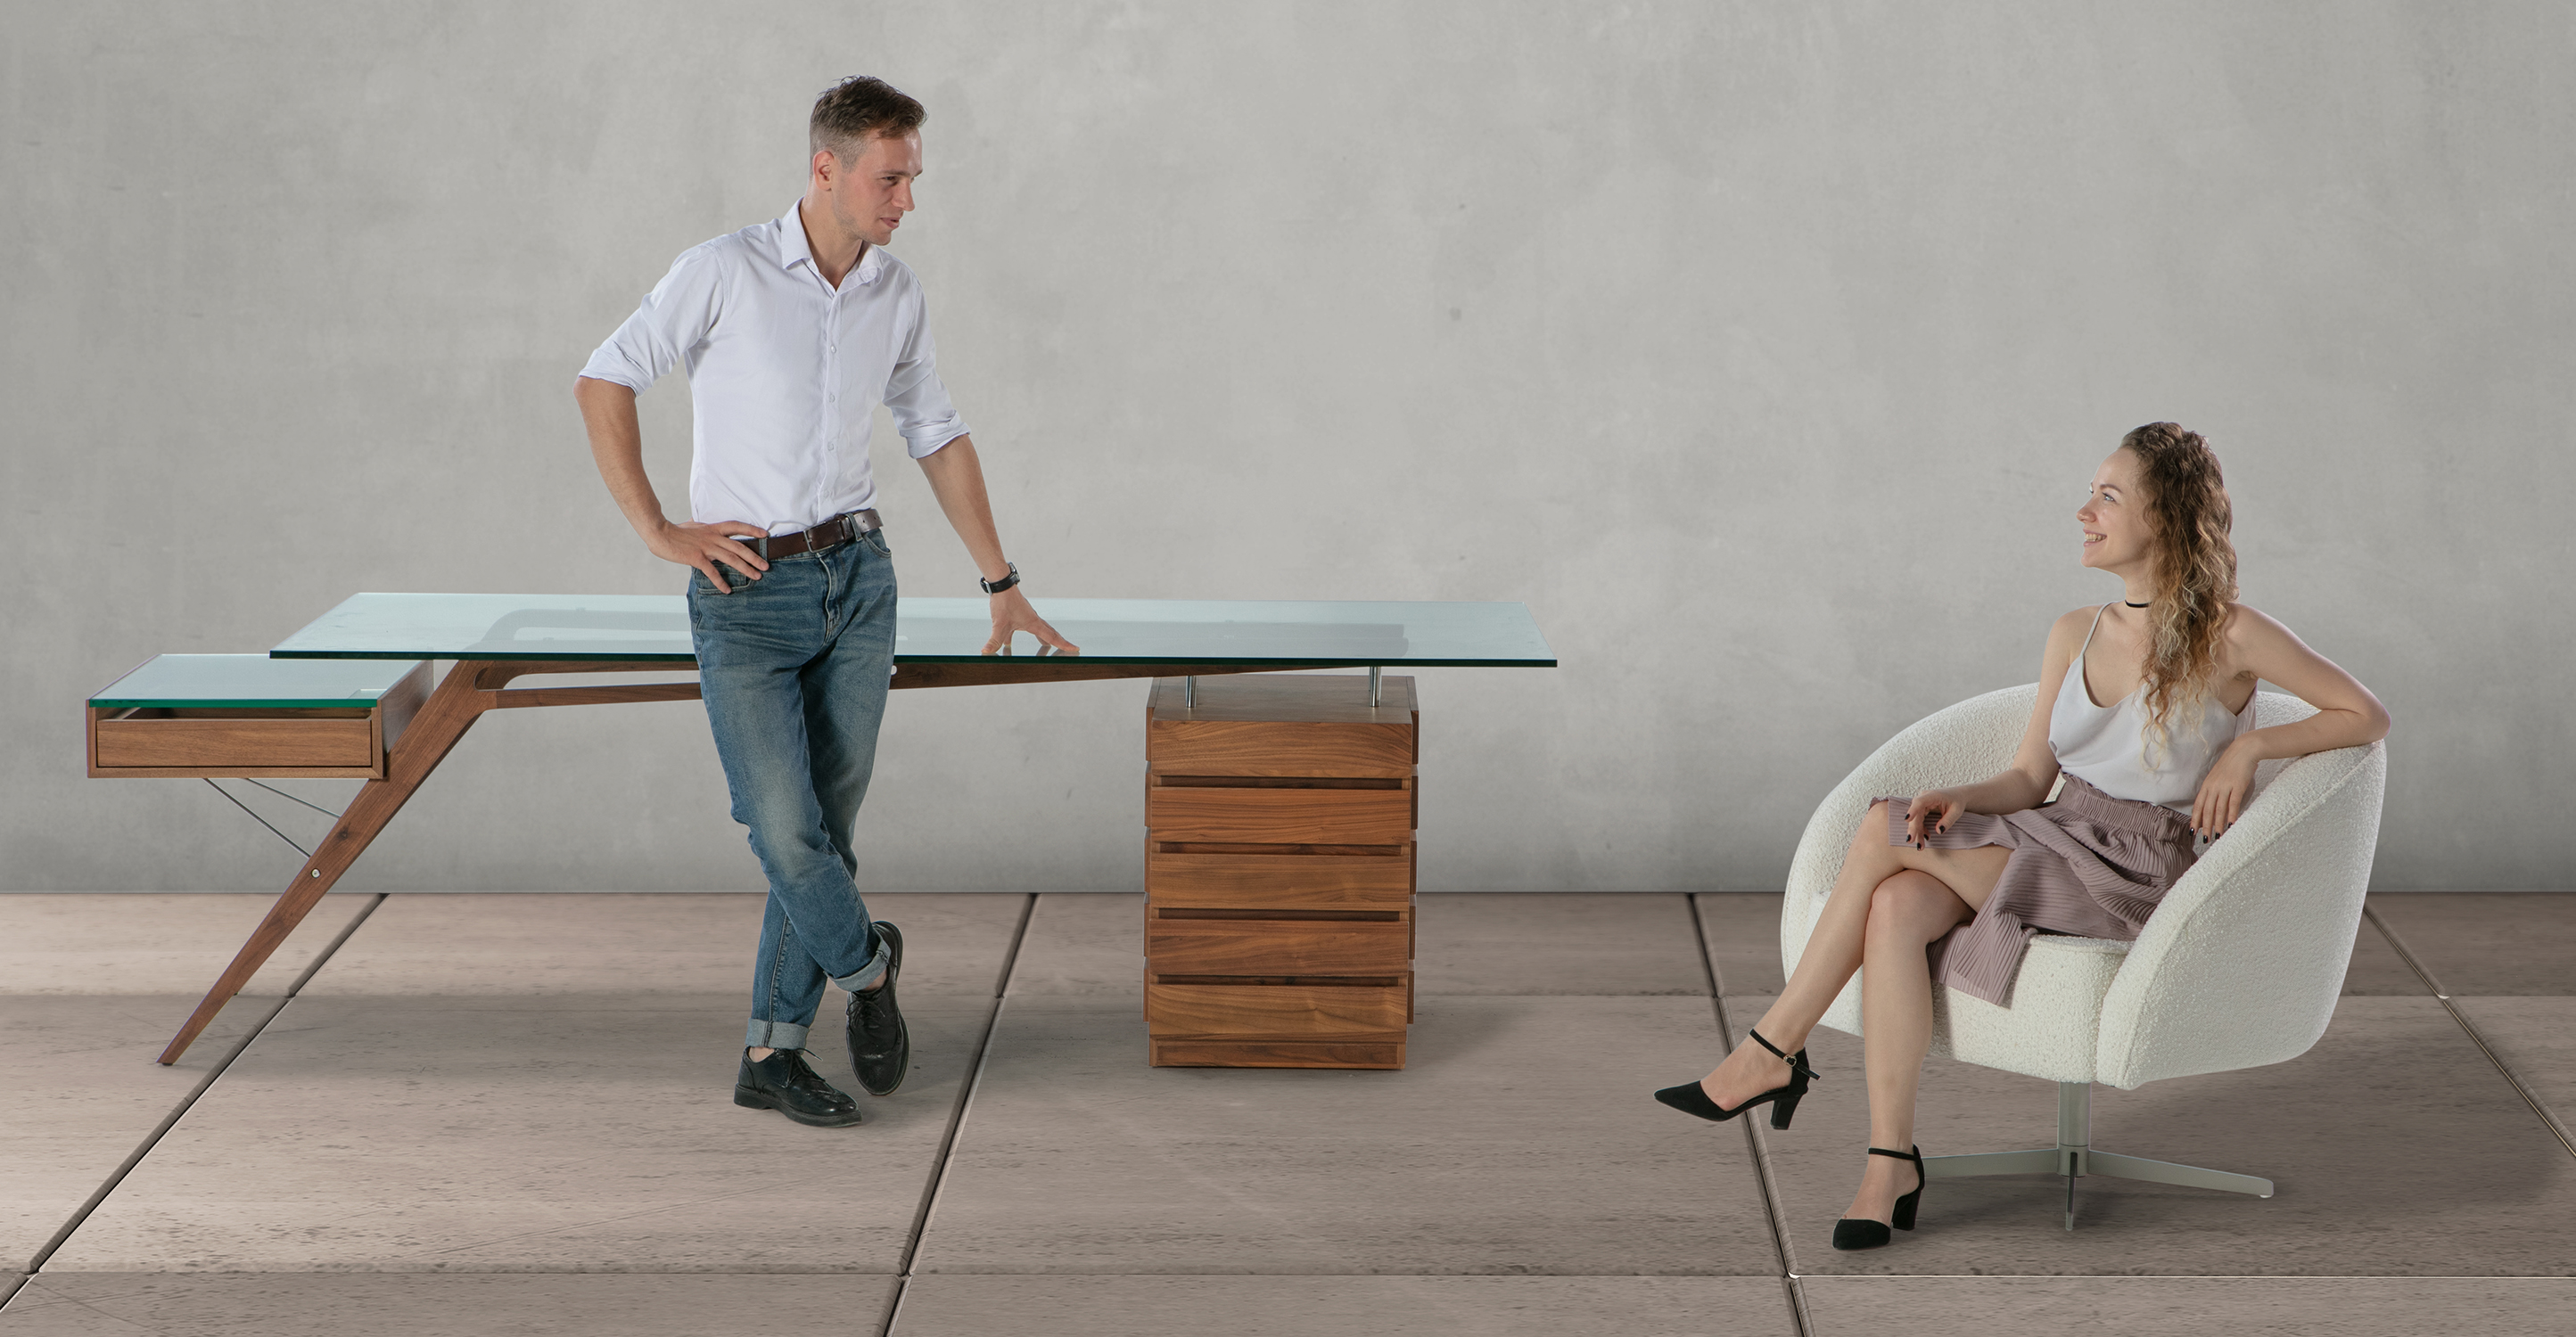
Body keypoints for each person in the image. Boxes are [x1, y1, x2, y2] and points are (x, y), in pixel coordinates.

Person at [1655, 422, 2390, 1248]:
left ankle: (1771, 1051)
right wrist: (1957, 798)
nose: (2083, 511)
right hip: (2053, 827)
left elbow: (2364, 716)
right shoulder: (2072, 631)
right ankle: (1886, 1160)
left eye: (2107, 496)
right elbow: (2028, 779)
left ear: (2168, 512)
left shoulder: (2232, 634)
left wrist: (2252, 744)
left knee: (1877, 828)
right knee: (1896, 900)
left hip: (2137, 870)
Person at [573, 76, 1074, 1128]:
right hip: (746, 594)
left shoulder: (896, 293)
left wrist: (1003, 579)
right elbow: (604, 380)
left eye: (912, 179)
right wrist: (662, 530)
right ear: (827, 168)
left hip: (859, 583)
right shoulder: (723, 272)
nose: (906, 201)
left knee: (826, 838)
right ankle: (870, 969)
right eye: (890, 179)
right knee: (787, 833)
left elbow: (934, 432)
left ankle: (773, 1052)